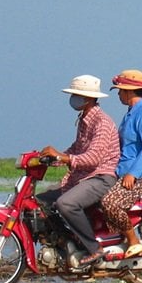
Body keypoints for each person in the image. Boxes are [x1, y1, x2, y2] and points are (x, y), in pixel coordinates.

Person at [37, 75, 121, 264]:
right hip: (85, 177)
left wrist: (61, 157)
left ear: (89, 98)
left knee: (66, 204)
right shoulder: (85, 120)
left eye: (77, 94)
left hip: (101, 177)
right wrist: (52, 158)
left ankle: (94, 248)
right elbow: (76, 149)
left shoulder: (102, 122)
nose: (74, 97)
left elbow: (93, 158)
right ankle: (65, 240)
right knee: (40, 201)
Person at [93, 69, 142, 265]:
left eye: (120, 90)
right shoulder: (131, 114)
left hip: (141, 175)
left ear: (129, 91)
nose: (118, 94)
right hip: (123, 172)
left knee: (110, 203)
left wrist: (133, 173)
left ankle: (133, 240)